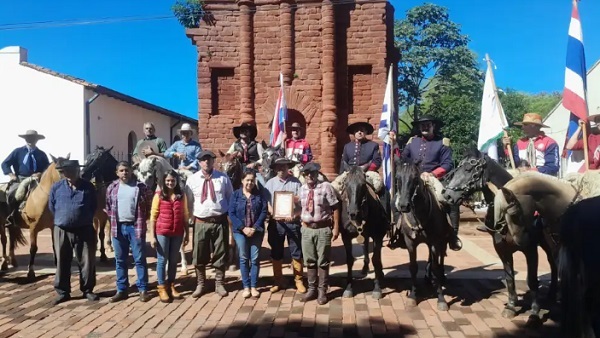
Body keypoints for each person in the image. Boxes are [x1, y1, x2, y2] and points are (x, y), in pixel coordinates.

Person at [400, 116, 462, 251]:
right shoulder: (412, 142)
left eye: (428, 124)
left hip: (432, 177)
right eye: (422, 125)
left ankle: (452, 235)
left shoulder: (442, 142)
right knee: (397, 200)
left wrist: (432, 174)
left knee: (446, 199)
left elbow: (447, 164)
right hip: (413, 177)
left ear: (434, 125)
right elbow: (403, 159)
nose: (425, 127)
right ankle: (398, 234)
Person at [48, 159, 99, 305]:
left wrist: (82, 218)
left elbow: (93, 206)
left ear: (78, 170)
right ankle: (63, 292)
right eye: (65, 171)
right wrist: (63, 218)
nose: (68, 173)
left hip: (84, 229)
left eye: (71, 170)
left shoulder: (88, 187)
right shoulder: (56, 187)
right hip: (61, 229)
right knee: (62, 261)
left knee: (87, 261)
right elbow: (52, 206)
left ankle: (88, 290)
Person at [185, 150, 234, 298]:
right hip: (201, 222)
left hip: (219, 221)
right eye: (203, 160)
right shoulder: (192, 180)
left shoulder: (223, 178)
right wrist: (190, 219)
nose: (206, 162)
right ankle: (201, 283)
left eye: (209, 159)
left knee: (221, 252)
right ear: (199, 162)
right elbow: (189, 201)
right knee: (199, 254)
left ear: (213, 161)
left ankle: (219, 283)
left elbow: (229, 197)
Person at [105, 161, 151, 303]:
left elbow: (149, 204)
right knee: (120, 260)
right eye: (121, 170)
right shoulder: (112, 187)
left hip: (135, 227)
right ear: (117, 173)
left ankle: (143, 289)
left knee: (139, 259)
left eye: (127, 170)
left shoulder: (140, 187)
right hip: (117, 227)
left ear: (131, 171)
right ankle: (122, 289)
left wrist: (144, 220)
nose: (124, 173)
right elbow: (108, 206)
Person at [298, 162, 340, 305]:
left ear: (317, 174)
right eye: (307, 173)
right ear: (304, 175)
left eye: (313, 173)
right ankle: (312, 289)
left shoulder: (325, 187)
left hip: (322, 228)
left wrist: (336, 228)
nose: (310, 176)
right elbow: (300, 208)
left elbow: (335, 207)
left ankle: (322, 290)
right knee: (309, 260)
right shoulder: (302, 189)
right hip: (307, 229)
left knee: (323, 260)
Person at [263, 157, 306, 294]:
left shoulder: (296, 183)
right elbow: (267, 203)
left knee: (296, 251)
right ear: (275, 169)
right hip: (276, 223)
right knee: (276, 251)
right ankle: (278, 280)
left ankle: (298, 280)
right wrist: (272, 212)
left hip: (293, 222)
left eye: (284, 166)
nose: (281, 169)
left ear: (288, 168)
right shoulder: (270, 184)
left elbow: (303, 204)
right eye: (278, 167)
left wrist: (296, 214)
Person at [149, 170, 190, 303]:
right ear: (163, 182)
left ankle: (171, 284)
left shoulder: (181, 195)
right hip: (162, 232)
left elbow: (185, 214)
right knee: (162, 260)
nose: (170, 183)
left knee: (173, 260)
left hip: (177, 232)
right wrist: (152, 236)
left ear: (176, 181)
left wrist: (187, 233)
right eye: (167, 181)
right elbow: (153, 216)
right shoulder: (159, 195)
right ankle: (161, 287)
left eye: (172, 180)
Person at [228, 169, 268, 299]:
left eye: (252, 180)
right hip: (240, 232)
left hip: (256, 231)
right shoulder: (235, 195)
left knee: (255, 258)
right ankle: (246, 286)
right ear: (242, 181)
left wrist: (255, 227)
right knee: (244, 258)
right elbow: (231, 213)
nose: (250, 183)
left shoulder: (259, 195)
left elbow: (263, 211)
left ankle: (254, 286)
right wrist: (243, 228)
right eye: (247, 180)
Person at [1, 129, 50, 225]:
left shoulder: (41, 154)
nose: (30, 140)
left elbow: (47, 169)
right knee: (12, 194)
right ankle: (11, 215)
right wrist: (11, 174)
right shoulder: (17, 152)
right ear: (25, 139)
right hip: (20, 179)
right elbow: (5, 164)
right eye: (28, 138)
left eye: (32, 138)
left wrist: (40, 173)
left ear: (36, 140)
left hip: (37, 180)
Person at [336, 122, 384, 193]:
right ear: (354, 133)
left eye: (362, 130)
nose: (359, 132)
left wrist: (366, 169)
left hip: (368, 173)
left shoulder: (373, 145)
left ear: (366, 132)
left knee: (379, 187)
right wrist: (342, 174)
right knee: (335, 188)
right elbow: (343, 162)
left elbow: (377, 161)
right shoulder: (347, 146)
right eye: (357, 131)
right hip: (349, 172)